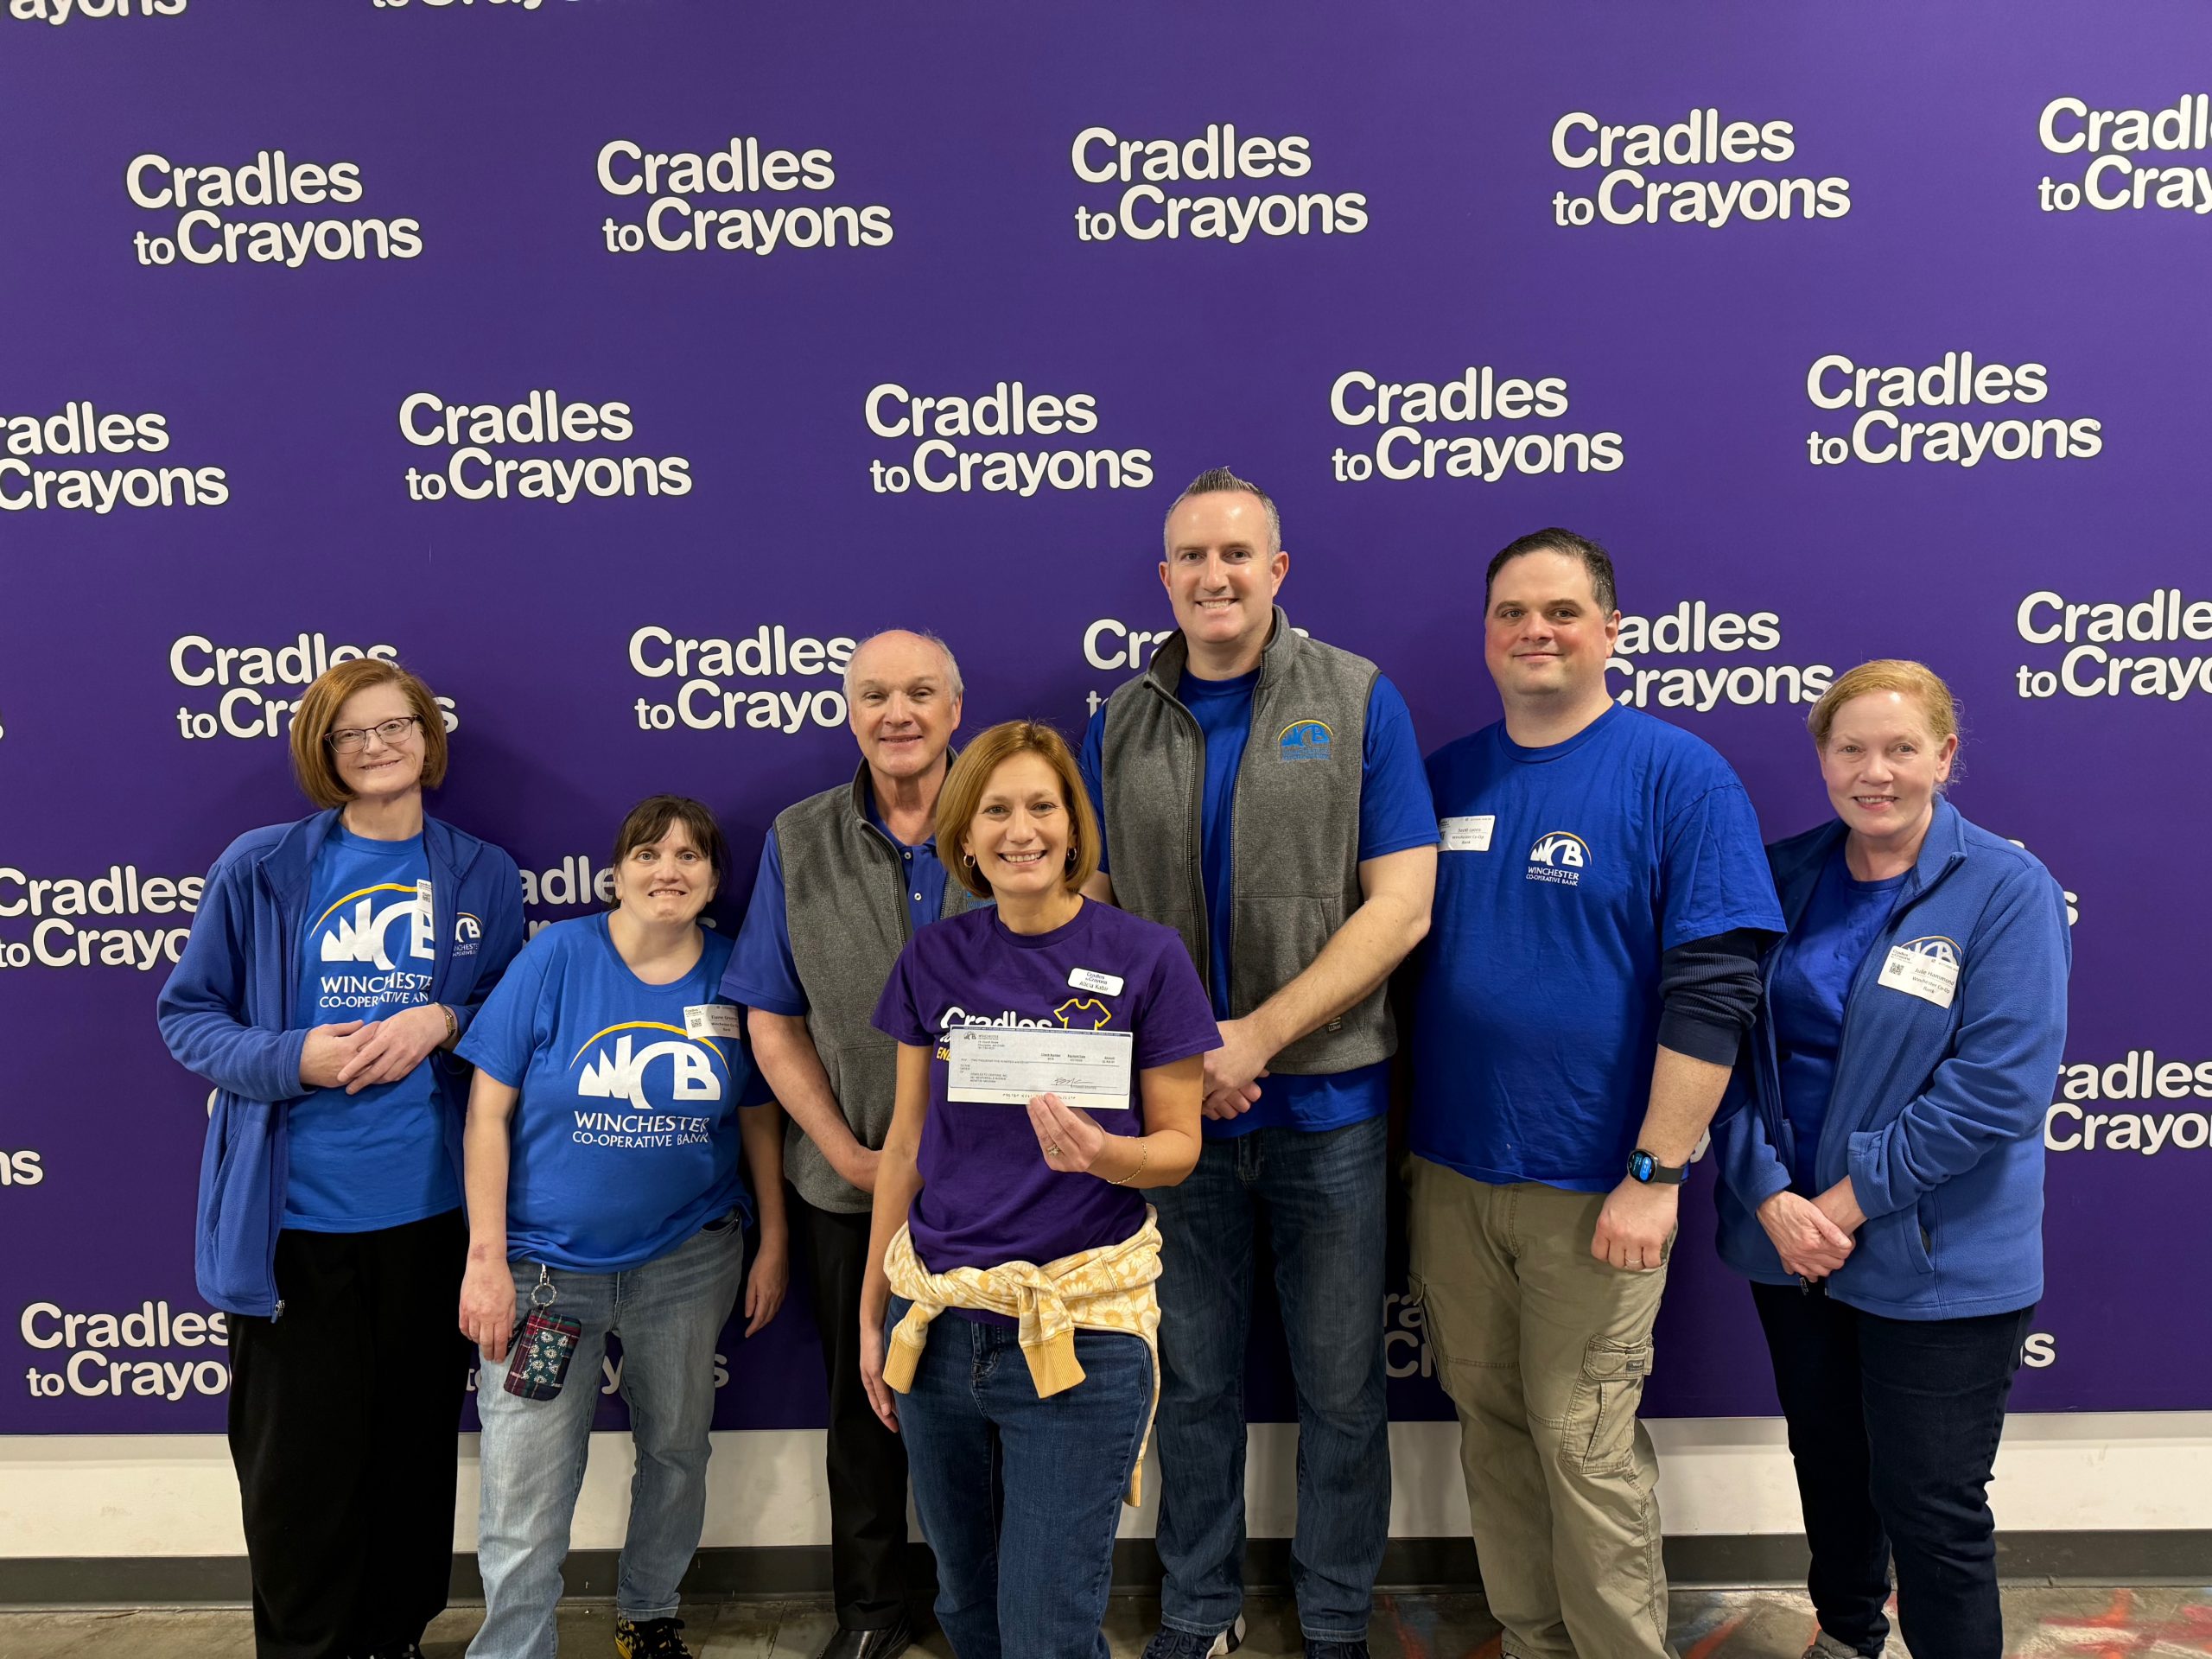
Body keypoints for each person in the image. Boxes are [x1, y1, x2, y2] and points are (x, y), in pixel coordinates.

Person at [1078, 468, 1437, 1659]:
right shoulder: (1117, 719)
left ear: (1277, 571)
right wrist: (1188, 1056)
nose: (1214, 575)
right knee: (1189, 1387)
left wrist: (1260, 1038)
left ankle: (1334, 1617)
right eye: (1192, 556)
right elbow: (1098, 912)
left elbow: (1402, 906)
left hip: (1327, 1108)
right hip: (1178, 1120)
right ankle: (1197, 1611)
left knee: (1342, 1389)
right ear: (1165, 577)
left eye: (1237, 554)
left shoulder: (1357, 696)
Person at [1407, 529, 1783, 1659]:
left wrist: (1658, 1173)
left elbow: (1716, 988)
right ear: (1487, 636)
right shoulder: (1448, 777)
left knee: (1584, 1445)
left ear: (1612, 631)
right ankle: (1533, 1640)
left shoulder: (1677, 774)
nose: (1536, 632)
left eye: (1561, 612)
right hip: (1452, 1177)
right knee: (1496, 1431)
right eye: (1513, 613)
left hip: (1598, 1187)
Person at [157, 658, 525, 1659]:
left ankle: (392, 1635)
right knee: (296, 1474)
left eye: (392, 725)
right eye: (347, 733)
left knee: (409, 1458)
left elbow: (515, 1012)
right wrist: (293, 1057)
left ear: (426, 735)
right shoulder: (263, 866)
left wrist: (445, 1017)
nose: (374, 746)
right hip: (294, 1226)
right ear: (322, 752)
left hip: (428, 1218)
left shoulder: (481, 870)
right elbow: (188, 1017)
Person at [1710, 661, 2069, 1659]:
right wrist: (1772, 1196)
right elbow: (1719, 1053)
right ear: (1822, 759)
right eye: (1851, 749)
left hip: (1937, 1257)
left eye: (1901, 748)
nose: (1876, 772)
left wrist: (1842, 1202)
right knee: (1828, 1466)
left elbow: (1996, 1087)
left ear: (1944, 758)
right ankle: (1848, 1636)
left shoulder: (2005, 889)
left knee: (1930, 1502)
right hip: (1793, 1244)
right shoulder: (1781, 875)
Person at [857, 721, 1216, 1659]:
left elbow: (1179, 1146)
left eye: (1043, 807)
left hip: (1079, 1334)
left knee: (1047, 1631)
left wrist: (1105, 1153)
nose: (1022, 830)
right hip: (937, 1331)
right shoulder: (931, 961)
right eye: (996, 810)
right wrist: (874, 1313)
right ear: (963, 837)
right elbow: (903, 1146)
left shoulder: (1146, 956)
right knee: (968, 1614)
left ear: (1073, 826)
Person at [456, 796, 788, 1659]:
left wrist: (774, 1242)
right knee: (527, 1480)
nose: (667, 871)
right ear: (618, 872)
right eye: (648, 854)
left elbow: (757, 1119)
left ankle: (647, 1616)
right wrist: (483, 1260)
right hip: (542, 1276)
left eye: (689, 857)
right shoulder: (555, 958)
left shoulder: (732, 975)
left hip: (686, 1261)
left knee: (676, 1449)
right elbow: (485, 1115)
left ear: (715, 880)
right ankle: (514, 1647)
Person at [723, 629, 969, 1659]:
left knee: (986, 1414)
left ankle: (981, 1609)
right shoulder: (799, 835)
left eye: (920, 693)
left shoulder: (1013, 815)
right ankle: (870, 1613)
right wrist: (848, 1151)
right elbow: (769, 1017)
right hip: (846, 1184)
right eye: (874, 695)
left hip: (998, 1193)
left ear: (957, 708)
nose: (897, 713)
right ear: (849, 711)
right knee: (863, 1411)